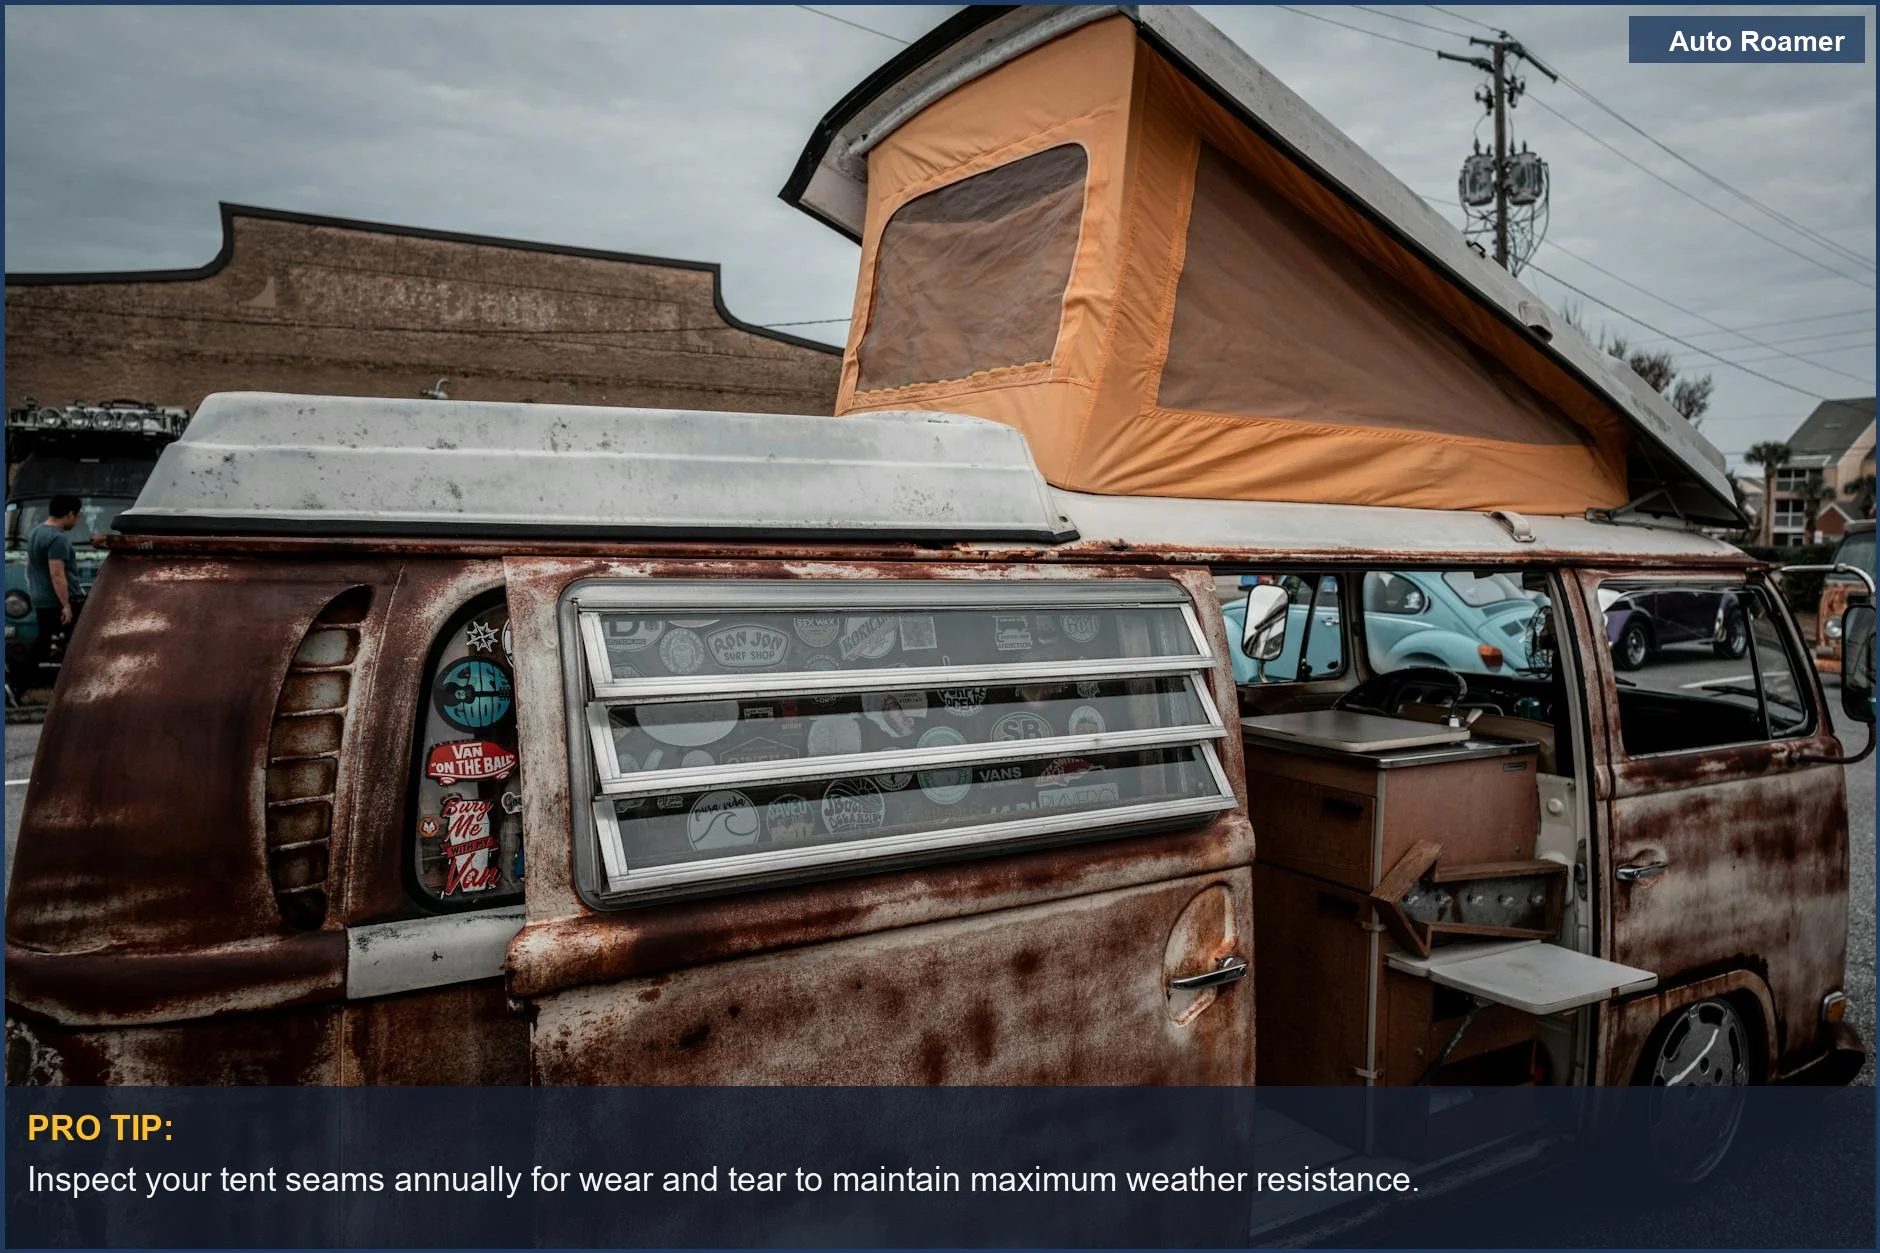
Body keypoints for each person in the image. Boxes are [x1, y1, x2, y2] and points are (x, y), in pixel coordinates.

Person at [25, 494, 82, 674]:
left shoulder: (35, 532)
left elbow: (30, 565)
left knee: (45, 641)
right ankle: (17, 682)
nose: (77, 519)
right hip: (56, 600)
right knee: (81, 638)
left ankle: (17, 682)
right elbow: (57, 574)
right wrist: (66, 605)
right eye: (78, 515)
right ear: (70, 514)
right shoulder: (57, 539)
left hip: (41, 597)